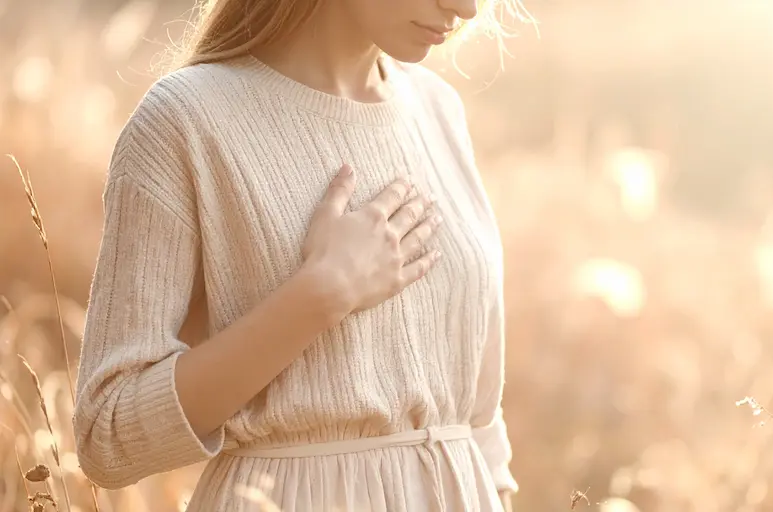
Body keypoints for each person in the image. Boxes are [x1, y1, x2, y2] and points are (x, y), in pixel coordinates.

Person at [72, 0, 530, 510]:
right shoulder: (186, 119)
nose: (465, 8)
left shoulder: (438, 109)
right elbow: (106, 435)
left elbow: (479, 426)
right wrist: (318, 296)